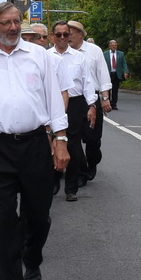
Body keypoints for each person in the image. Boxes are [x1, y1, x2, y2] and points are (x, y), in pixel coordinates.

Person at [0, 2, 71, 280]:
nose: (14, 27)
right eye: (6, 23)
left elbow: (54, 100)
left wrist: (61, 139)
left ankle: (32, 257)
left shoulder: (39, 56)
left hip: (34, 145)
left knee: (38, 214)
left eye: (17, 21)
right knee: (3, 218)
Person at [50, 21, 93, 200]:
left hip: (75, 104)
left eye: (65, 35)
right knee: (51, 144)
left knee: (73, 146)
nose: (62, 38)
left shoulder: (79, 57)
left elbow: (88, 81)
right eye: (58, 34)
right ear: (53, 36)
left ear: (70, 37)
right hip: (52, 103)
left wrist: (91, 105)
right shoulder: (45, 57)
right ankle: (51, 183)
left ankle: (71, 189)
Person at [71, 23, 112, 180]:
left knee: (92, 138)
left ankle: (92, 162)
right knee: (73, 138)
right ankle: (81, 171)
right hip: (73, 98)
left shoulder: (94, 51)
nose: (68, 36)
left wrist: (105, 98)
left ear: (80, 34)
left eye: (71, 33)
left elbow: (102, 75)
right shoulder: (64, 52)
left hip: (92, 98)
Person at [105, 39, 127, 110]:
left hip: (116, 74)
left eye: (115, 45)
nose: (114, 47)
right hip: (108, 73)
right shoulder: (105, 54)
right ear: (109, 46)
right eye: (112, 45)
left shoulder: (121, 54)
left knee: (115, 89)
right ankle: (108, 102)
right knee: (108, 89)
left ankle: (114, 104)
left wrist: (125, 71)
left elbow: (124, 63)